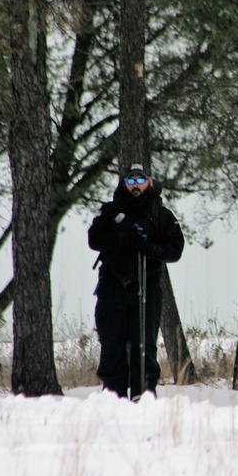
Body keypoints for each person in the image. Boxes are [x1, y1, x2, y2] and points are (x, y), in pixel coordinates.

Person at [88, 163, 184, 400]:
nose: (135, 186)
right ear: (124, 183)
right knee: (112, 344)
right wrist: (121, 239)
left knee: (145, 345)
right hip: (113, 286)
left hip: (147, 285)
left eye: (140, 180)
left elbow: (175, 250)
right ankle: (113, 396)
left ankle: (144, 394)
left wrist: (150, 249)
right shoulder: (110, 211)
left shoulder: (161, 215)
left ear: (150, 182)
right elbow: (94, 239)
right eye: (131, 181)